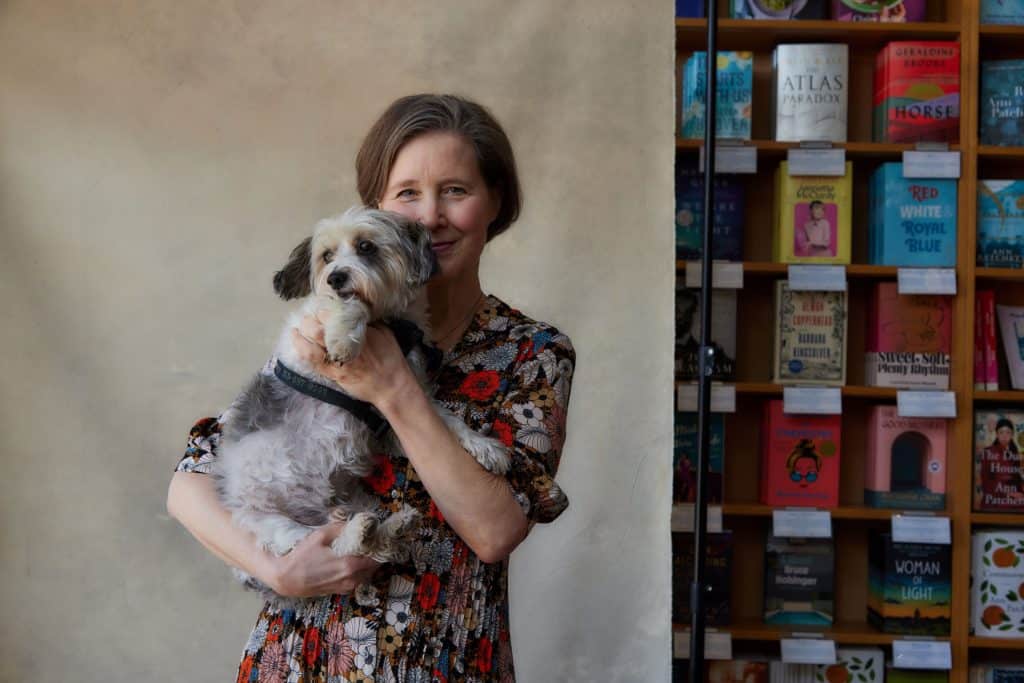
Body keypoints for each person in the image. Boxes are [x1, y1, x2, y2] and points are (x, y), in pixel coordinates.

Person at [167, 93, 576, 682]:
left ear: (496, 201)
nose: (429, 217)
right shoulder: (323, 330)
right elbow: (192, 481)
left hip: (444, 664)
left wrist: (393, 389)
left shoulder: (532, 353)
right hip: (301, 660)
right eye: (407, 193)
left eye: (455, 190)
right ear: (377, 209)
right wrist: (277, 569)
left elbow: (494, 532)